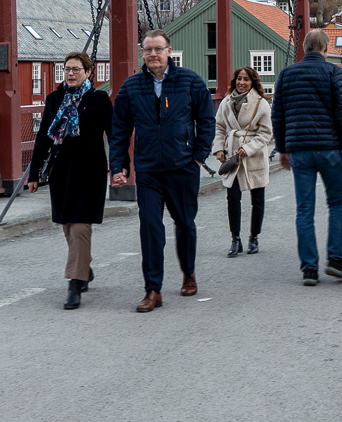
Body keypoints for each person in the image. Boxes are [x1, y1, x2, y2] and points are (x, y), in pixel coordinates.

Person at [109, 29, 215, 313]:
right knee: (150, 227)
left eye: (158, 49)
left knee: (185, 224)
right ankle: (153, 289)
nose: (153, 54)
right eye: (148, 50)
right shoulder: (131, 87)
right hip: (148, 170)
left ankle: (188, 272)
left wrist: (198, 156)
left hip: (182, 167)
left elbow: (207, 119)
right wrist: (118, 166)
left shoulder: (190, 81)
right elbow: (119, 130)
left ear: (169, 51)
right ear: (142, 53)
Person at [272, 29, 342, 286]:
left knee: (304, 209)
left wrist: (282, 149)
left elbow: (278, 115)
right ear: (326, 48)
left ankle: (309, 269)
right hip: (328, 148)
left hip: (299, 149)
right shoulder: (334, 72)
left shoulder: (287, 74)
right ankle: (335, 259)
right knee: (337, 203)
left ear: (304, 48)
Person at [28, 51, 113, 310]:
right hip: (61, 171)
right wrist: (33, 174)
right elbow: (43, 137)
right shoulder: (55, 99)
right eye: (67, 69)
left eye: (76, 69)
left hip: (90, 171)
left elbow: (114, 133)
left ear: (88, 72)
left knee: (80, 226)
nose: (71, 73)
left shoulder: (98, 99)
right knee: (67, 225)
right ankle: (84, 267)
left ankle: (75, 282)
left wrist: (120, 165)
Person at [212, 67, 273, 257]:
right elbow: (219, 127)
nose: (242, 83)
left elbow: (265, 134)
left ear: (252, 82)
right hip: (233, 156)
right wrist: (219, 148)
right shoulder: (226, 102)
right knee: (232, 198)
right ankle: (235, 238)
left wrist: (248, 148)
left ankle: (254, 237)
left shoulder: (261, 104)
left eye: (246, 79)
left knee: (258, 200)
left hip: (254, 156)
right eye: (239, 79)